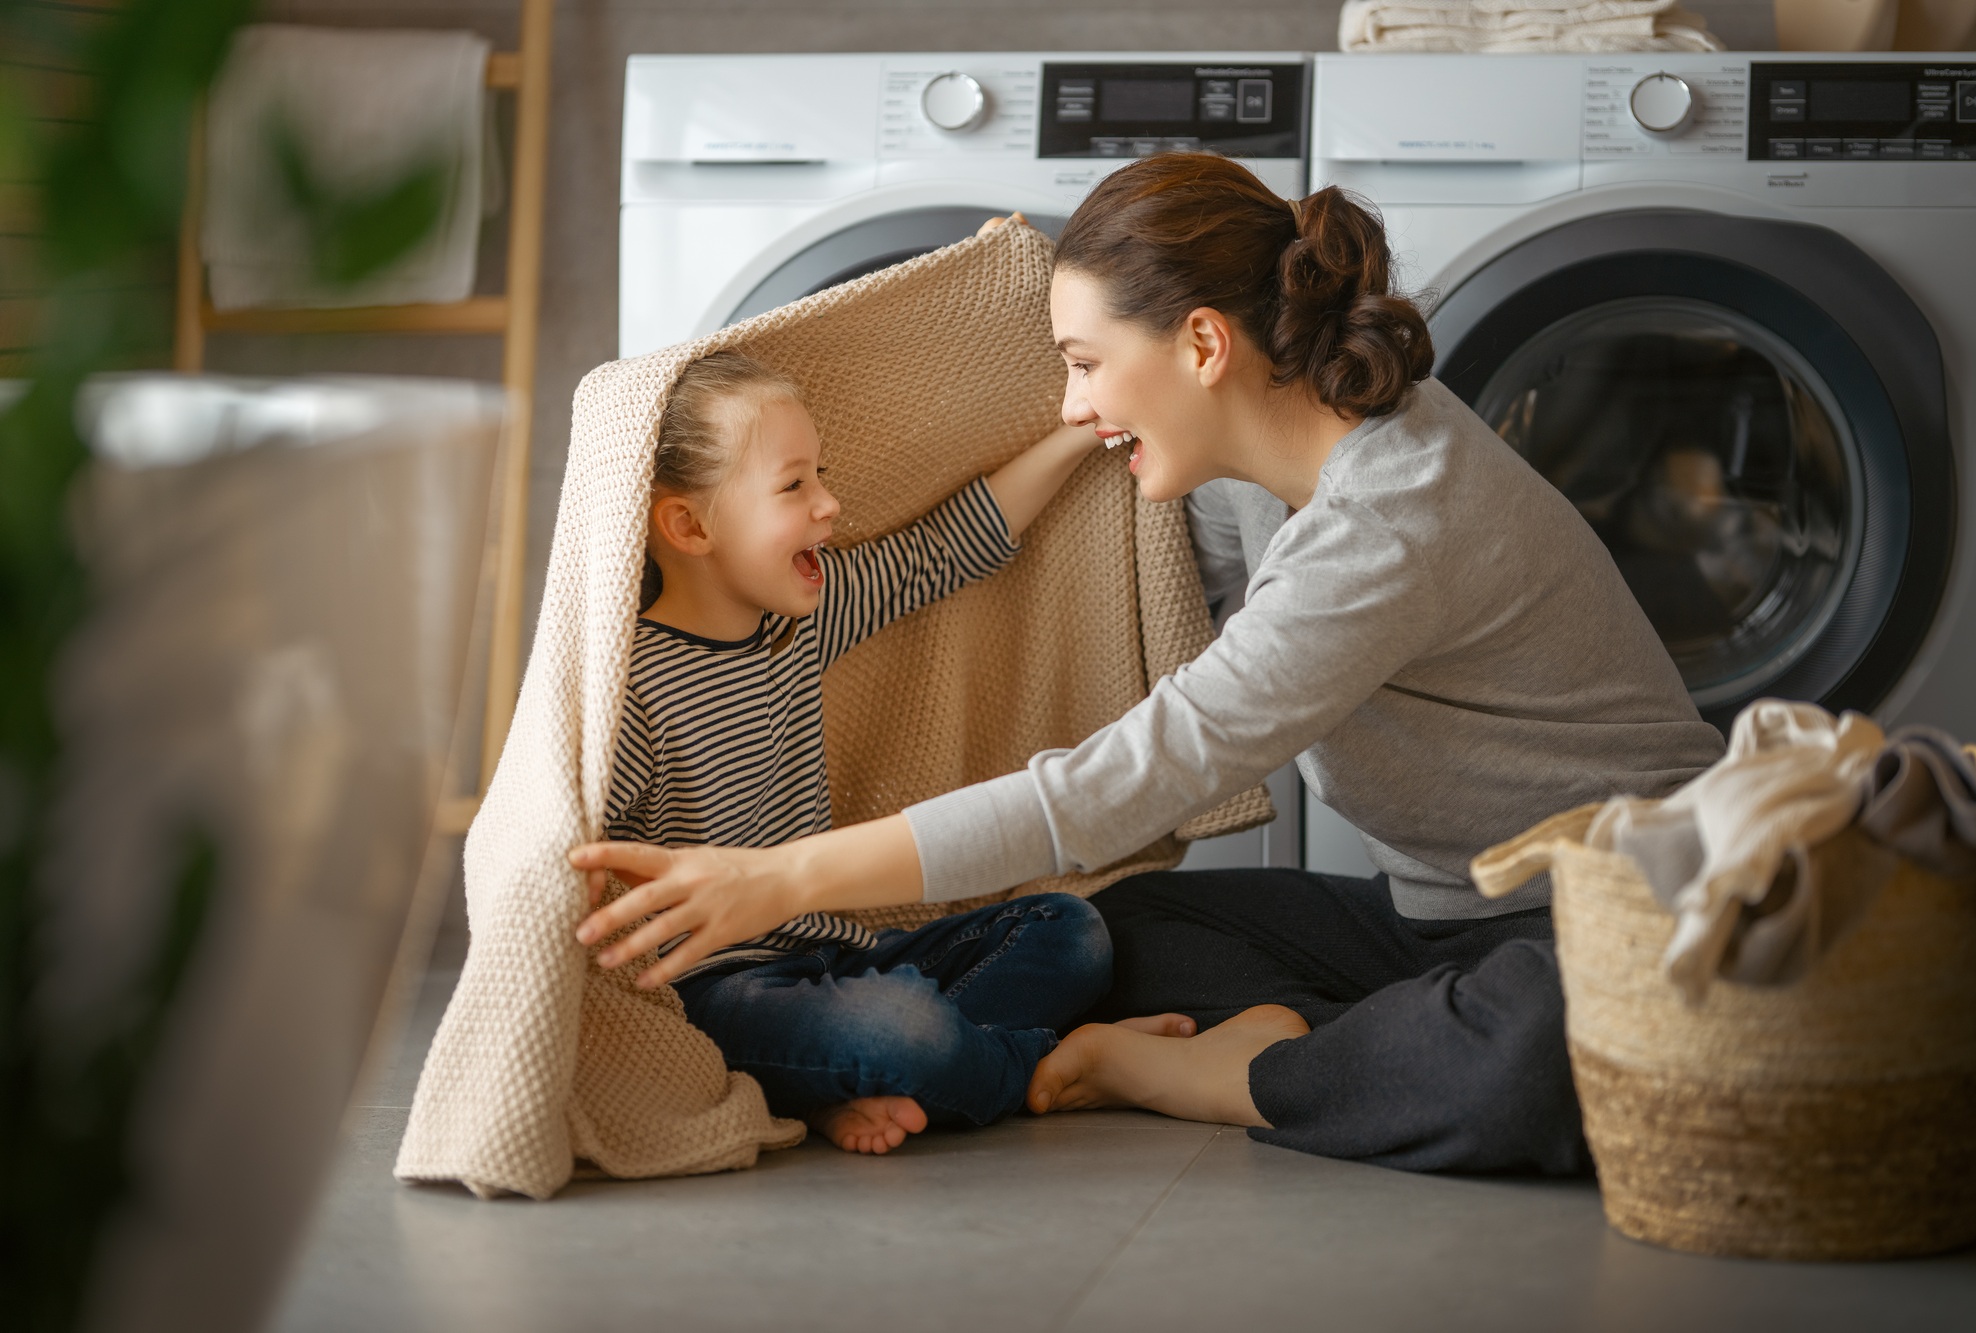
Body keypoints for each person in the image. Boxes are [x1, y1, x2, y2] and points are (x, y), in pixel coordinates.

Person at [572, 156, 1726, 1174]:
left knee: (1537, 1051)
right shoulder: (1259, 459)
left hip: (1619, 919)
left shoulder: (1386, 519)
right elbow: (1010, 560)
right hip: (1429, 920)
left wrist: (780, 880)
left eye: (1084, 364)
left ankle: (1236, 1074)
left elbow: (1124, 779)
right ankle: (1373, 1037)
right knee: (1125, 925)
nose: (1073, 402)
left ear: (1203, 345)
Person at [570, 350, 1110, 1155]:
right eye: (794, 485)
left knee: (1071, 929)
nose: (829, 503)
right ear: (689, 527)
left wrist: (1083, 429)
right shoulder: (631, 688)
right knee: (900, 1025)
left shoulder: (803, 619)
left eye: (820, 474)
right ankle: (1059, 1067)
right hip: (719, 990)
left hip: (836, 955)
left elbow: (946, 549)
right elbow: (583, 861)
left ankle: (846, 1081)